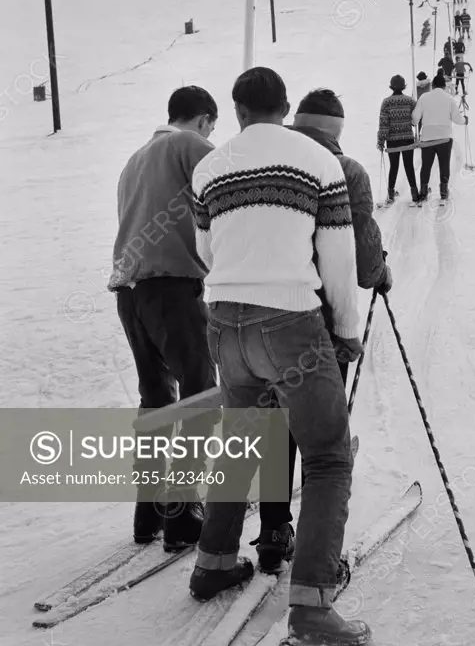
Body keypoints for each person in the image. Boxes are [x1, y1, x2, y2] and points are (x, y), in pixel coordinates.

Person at [189, 68, 372, 646]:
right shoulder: (319, 162)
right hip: (290, 321)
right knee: (326, 456)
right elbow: (337, 256)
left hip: (224, 322)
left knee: (242, 443)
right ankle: (313, 609)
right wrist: (344, 329)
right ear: (285, 107)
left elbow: (205, 250)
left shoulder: (208, 167)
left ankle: (214, 561)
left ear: (237, 110)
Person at [251, 88, 392, 573]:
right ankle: (318, 560)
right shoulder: (345, 171)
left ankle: (272, 531)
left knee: (274, 426)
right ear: (336, 131)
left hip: (253, 322)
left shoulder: (266, 162)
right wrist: (380, 274)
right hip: (316, 325)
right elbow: (361, 256)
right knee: (323, 442)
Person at [109, 86, 219, 549]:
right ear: (202, 120)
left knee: (156, 397)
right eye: (212, 126)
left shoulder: (133, 161)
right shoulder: (188, 145)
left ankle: (149, 512)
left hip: (131, 291)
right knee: (202, 395)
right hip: (172, 287)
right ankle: (183, 511)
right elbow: (229, 189)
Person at [411, 73, 467, 201]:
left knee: (426, 166)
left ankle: (423, 191)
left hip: (427, 137)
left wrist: (414, 123)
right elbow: (457, 119)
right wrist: (465, 120)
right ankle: (443, 191)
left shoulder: (424, 98)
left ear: (432, 85)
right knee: (444, 164)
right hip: (444, 138)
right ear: (443, 86)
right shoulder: (449, 99)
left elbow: (415, 118)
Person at [377, 75, 419, 204]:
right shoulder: (410, 101)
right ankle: (415, 194)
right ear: (403, 87)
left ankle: (390, 194)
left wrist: (381, 141)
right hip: (407, 139)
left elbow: (384, 124)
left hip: (392, 140)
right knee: (409, 166)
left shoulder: (386, 102)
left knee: (393, 166)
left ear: (391, 87)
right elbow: (416, 118)